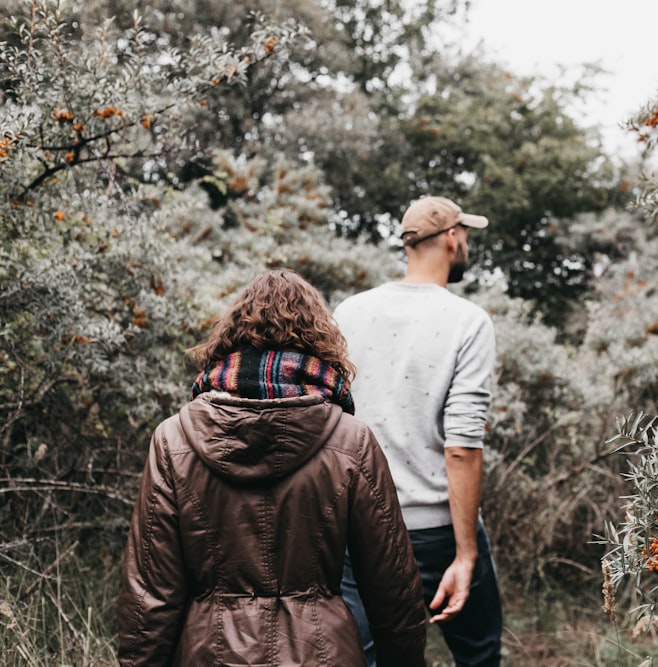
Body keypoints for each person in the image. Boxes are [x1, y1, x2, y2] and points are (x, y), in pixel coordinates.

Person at [118, 270, 426, 667]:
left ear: (229, 338)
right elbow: (393, 589)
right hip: (324, 653)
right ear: (319, 343)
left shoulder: (173, 439)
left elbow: (150, 595)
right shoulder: (352, 441)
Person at [335, 196, 503, 667]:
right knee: (479, 653)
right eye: (465, 234)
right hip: (436, 532)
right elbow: (462, 448)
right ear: (451, 238)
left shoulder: (349, 312)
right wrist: (465, 553)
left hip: (359, 526)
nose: (466, 242)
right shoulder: (468, 322)